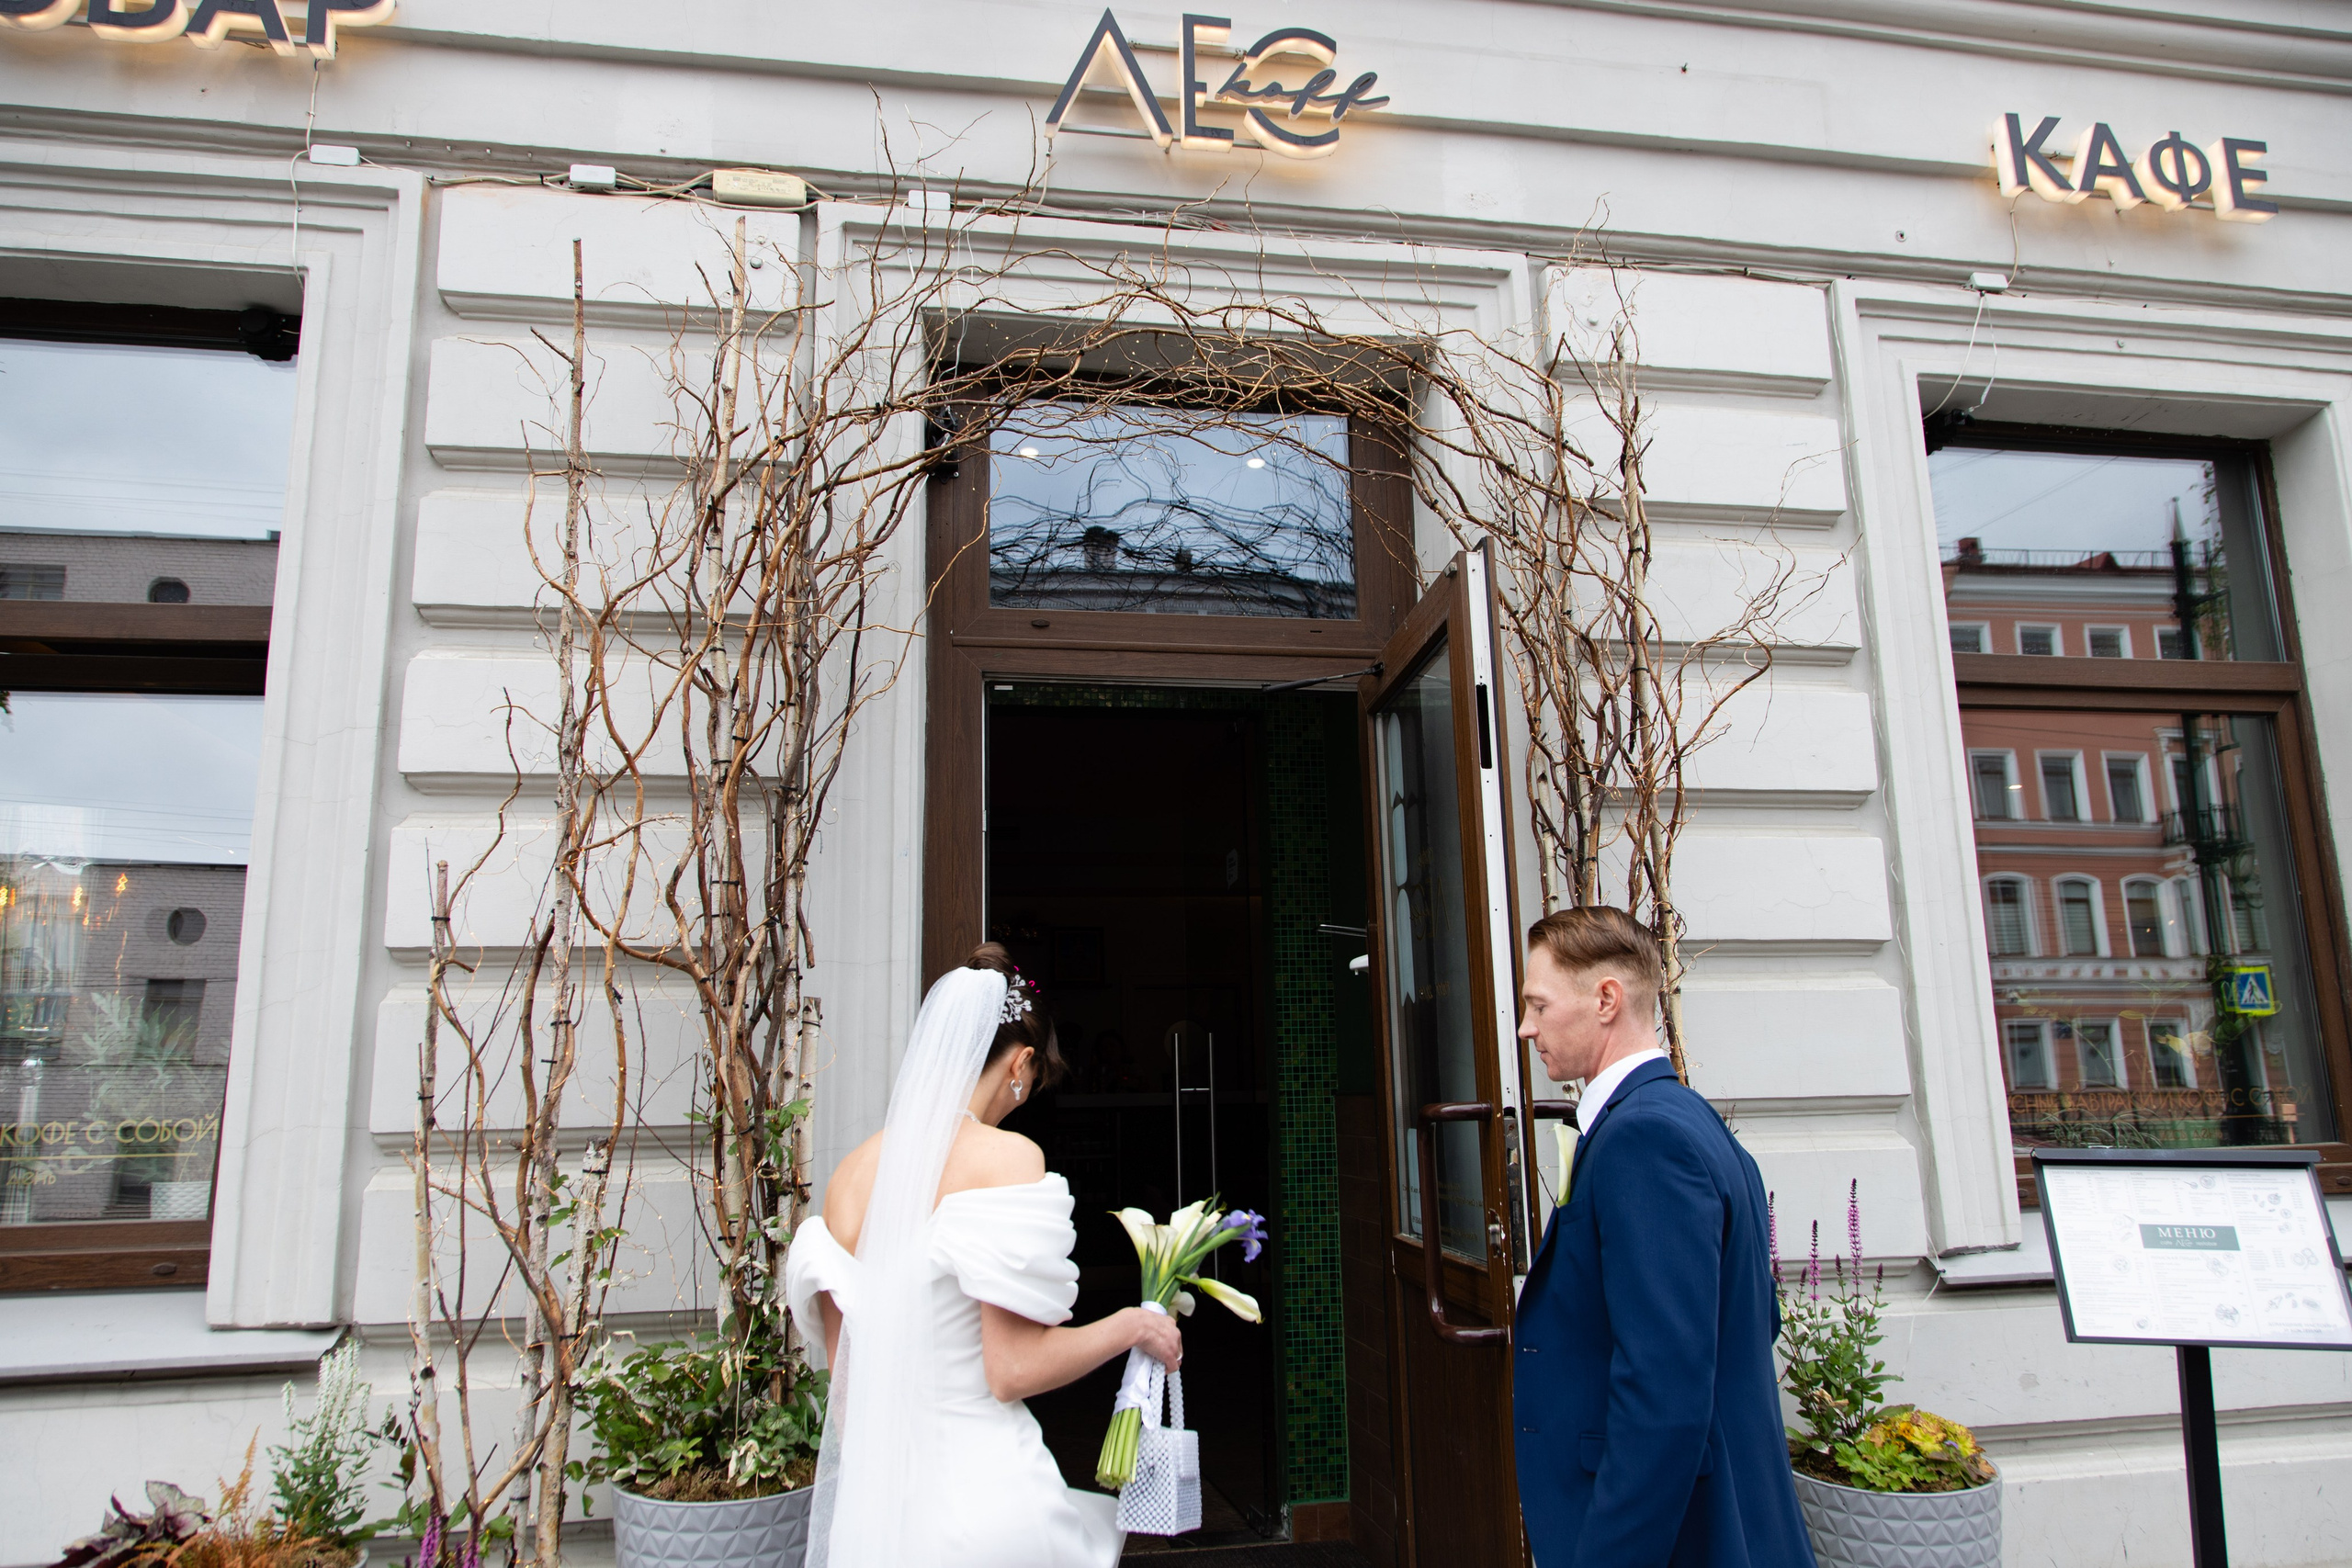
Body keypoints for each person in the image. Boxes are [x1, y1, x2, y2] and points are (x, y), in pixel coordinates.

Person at [784, 943, 1184, 1568]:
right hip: (983, 1502)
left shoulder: (850, 1177)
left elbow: (847, 1401)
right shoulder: (1008, 1157)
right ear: (1021, 1063)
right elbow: (1011, 1369)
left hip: (878, 1516)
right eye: (1034, 1081)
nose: (1026, 1097)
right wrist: (1134, 1324)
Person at [1510, 907, 1815, 1568]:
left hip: (1685, 1538)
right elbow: (1757, 1316)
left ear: (1606, 999)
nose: (1526, 1026)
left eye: (1538, 1003)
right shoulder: (1691, 1118)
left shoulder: (1644, 1140)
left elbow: (1664, 1389)